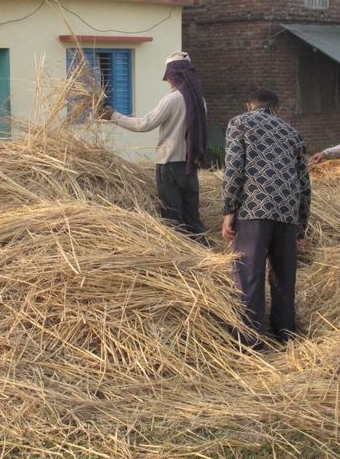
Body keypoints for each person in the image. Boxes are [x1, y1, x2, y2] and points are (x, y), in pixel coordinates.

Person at [222, 89, 310, 346]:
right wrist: (301, 227)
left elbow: (234, 168)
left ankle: (250, 338)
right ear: (278, 108)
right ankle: (285, 333)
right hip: (288, 211)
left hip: (254, 209)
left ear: (249, 105)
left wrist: (229, 210)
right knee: (284, 274)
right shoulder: (293, 134)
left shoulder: (240, 123)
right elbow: (304, 184)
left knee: (249, 272)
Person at [100, 51, 208, 241]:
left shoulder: (172, 100)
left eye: (168, 77)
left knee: (172, 214)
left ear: (173, 76)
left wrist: (114, 117)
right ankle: (202, 250)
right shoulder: (200, 100)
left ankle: (179, 254)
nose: (168, 82)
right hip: (191, 164)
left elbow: (144, 124)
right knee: (192, 215)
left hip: (170, 163)